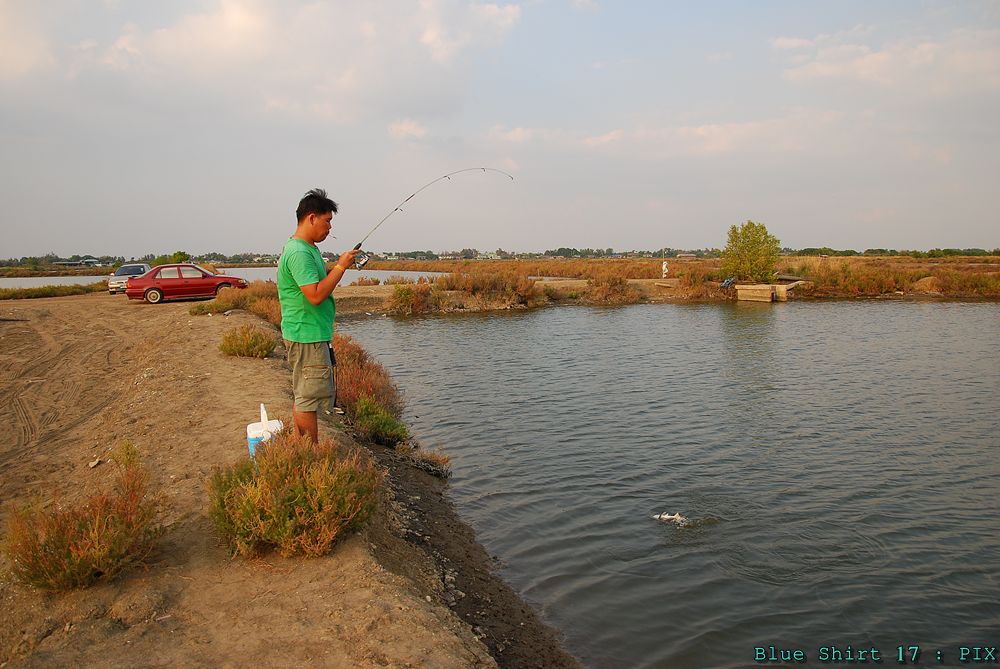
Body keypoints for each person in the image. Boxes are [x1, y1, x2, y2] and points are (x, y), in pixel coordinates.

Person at [277, 188, 359, 443]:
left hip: (310, 332)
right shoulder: (299, 252)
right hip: (306, 335)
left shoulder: (307, 248)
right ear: (311, 217)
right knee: (307, 399)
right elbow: (314, 295)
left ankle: (304, 449)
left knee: (306, 394)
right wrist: (341, 266)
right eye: (327, 221)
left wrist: (336, 267)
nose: (329, 228)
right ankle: (309, 453)